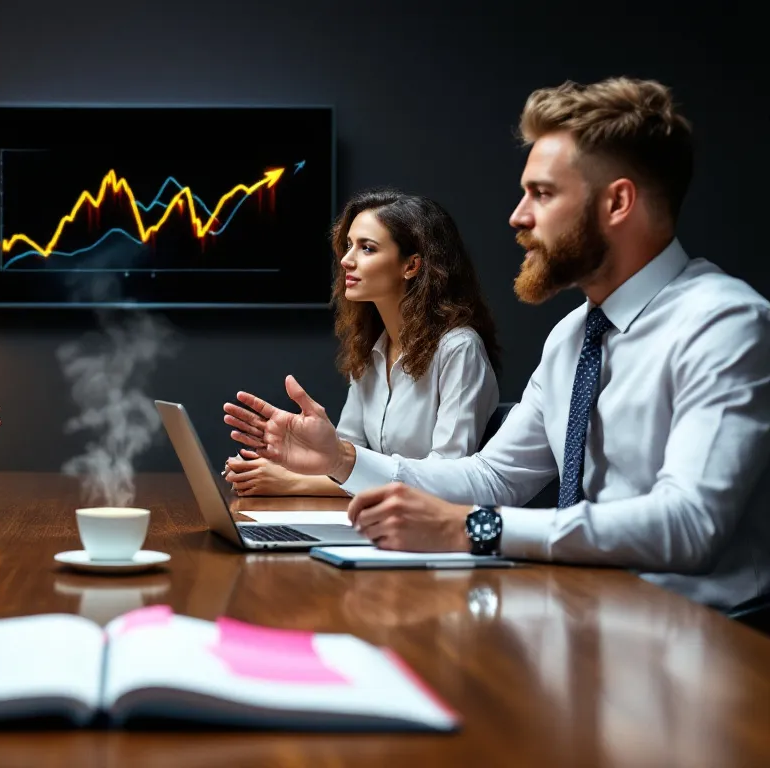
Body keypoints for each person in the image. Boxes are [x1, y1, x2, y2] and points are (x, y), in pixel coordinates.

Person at [223, 77, 770, 609]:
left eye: (543, 193)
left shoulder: (724, 323)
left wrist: (478, 526)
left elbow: (689, 523)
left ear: (617, 203)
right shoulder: (573, 337)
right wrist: (340, 457)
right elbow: (492, 476)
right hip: (581, 610)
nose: (518, 216)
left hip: (699, 634)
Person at [223, 190, 500, 497]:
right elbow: (344, 452)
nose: (346, 260)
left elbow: (448, 478)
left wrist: (293, 482)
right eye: (348, 245)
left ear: (411, 266)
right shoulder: (371, 349)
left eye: (367, 249)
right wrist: (286, 465)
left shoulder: (459, 349)